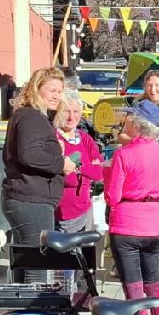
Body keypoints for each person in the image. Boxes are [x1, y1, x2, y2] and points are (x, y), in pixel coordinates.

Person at [106, 99, 159, 315]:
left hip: (127, 222)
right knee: (153, 279)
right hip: (154, 221)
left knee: (133, 283)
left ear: (137, 124)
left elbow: (113, 196)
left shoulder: (123, 154)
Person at [2, 66, 72, 247]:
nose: (57, 96)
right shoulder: (31, 117)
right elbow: (30, 154)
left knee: (26, 262)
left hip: (27, 199)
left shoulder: (29, 116)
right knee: (37, 266)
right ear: (36, 89)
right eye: (52, 90)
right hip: (31, 200)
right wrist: (60, 164)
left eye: (60, 91)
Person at [54, 90, 103, 233]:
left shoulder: (85, 138)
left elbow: (99, 173)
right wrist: (89, 167)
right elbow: (65, 177)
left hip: (83, 209)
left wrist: (78, 166)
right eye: (66, 111)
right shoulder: (54, 138)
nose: (71, 117)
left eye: (76, 112)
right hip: (61, 211)